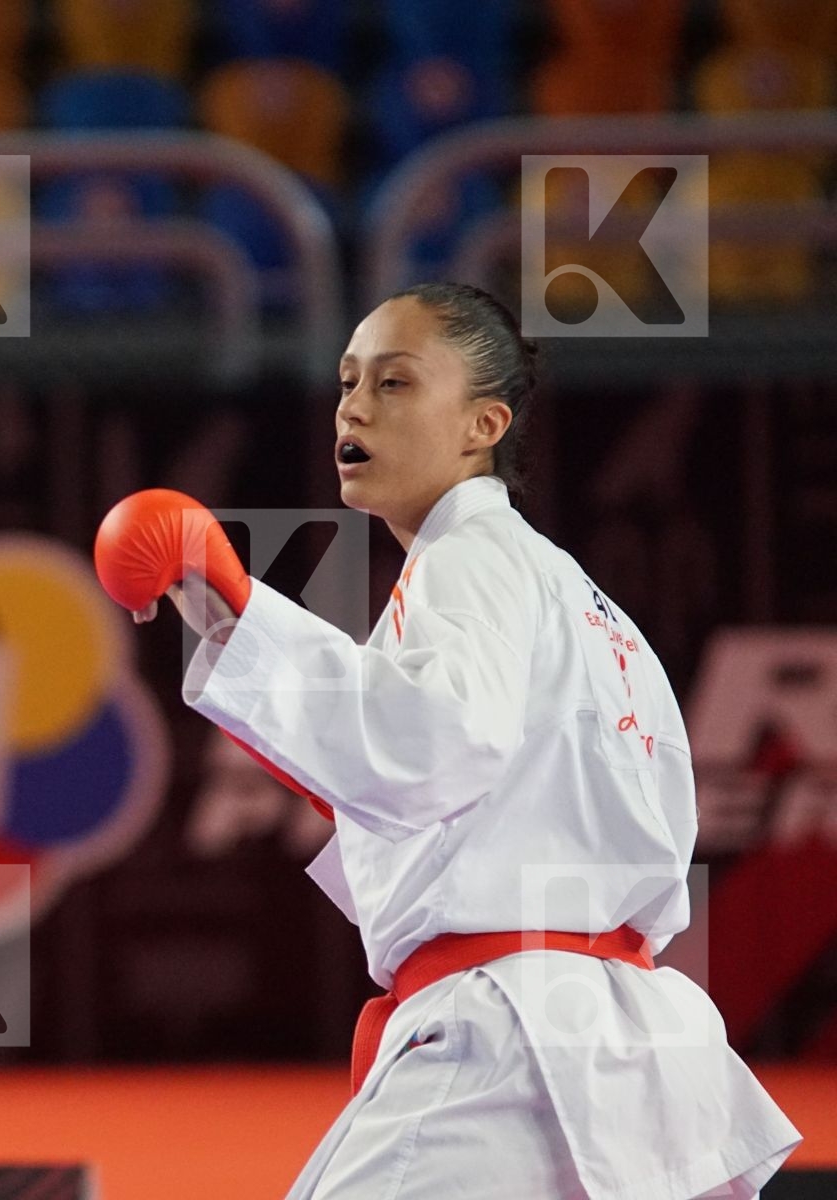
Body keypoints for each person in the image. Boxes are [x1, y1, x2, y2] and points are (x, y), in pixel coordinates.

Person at [95, 282, 801, 1199]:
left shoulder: (470, 560)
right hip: (630, 1052)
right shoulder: (568, 594)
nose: (353, 404)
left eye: (394, 384)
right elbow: (464, 801)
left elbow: (431, 750)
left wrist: (242, 604)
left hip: (512, 1047)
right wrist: (233, 634)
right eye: (349, 381)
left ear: (483, 424)